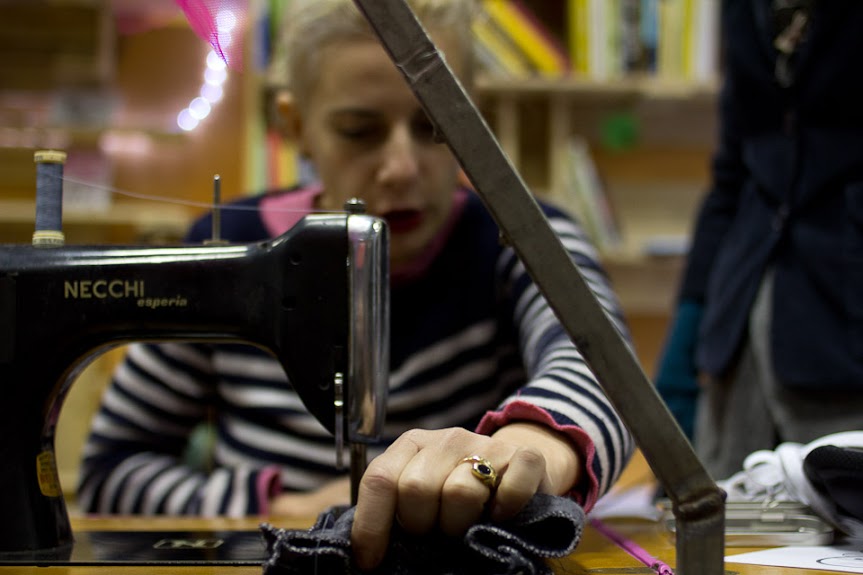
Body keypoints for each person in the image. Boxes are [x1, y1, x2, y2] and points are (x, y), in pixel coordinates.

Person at [77, 0, 634, 569]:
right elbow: (111, 473)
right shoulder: (223, 254)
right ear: (296, 127)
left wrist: (525, 453)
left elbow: (608, 377)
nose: (401, 168)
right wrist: (281, 506)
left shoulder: (525, 238)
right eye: (359, 132)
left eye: (434, 126)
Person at [654, 0, 863, 481]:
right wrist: (684, 345)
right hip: (741, 335)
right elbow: (733, 174)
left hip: (845, 347)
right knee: (726, 512)